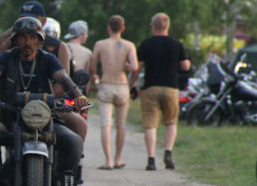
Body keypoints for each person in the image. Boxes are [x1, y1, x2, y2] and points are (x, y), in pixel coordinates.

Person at [0, 17, 89, 186]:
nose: (27, 42)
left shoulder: (47, 59)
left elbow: (63, 78)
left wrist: (79, 96)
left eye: (32, 37)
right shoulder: (5, 58)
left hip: (47, 118)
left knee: (74, 141)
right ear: (15, 40)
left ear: (40, 41)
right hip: (11, 118)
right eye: (22, 37)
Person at [0, 1, 87, 140]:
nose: (28, 42)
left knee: (79, 124)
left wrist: (44, 100)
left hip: (49, 106)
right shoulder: (12, 43)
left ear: (44, 21)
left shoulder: (58, 47)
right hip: (13, 105)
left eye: (34, 18)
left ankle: (72, 162)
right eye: (24, 17)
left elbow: (63, 80)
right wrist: (12, 31)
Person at [129, 12, 190, 170]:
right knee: (171, 122)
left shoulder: (146, 44)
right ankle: (168, 153)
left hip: (150, 87)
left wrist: (131, 84)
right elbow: (185, 66)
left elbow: (137, 67)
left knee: (150, 125)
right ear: (167, 26)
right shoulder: (176, 44)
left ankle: (151, 159)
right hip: (171, 87)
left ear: (153, 26)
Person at [90, 15, 138, 170]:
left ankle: (108, 160)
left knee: (105, 125)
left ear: (108, 28)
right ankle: (118, 159)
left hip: (106, 84)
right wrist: (126, 66)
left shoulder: (100, 44)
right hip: (122, 85)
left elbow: (92, 66)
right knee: (121, 124)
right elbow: (135, 66)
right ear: (123, 28)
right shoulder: (129, 45)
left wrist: (93, 77)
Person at [64, 20, 93, 88]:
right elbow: (87, 78)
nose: (87, 36)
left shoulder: (61, 47)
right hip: (77, 90)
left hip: (62, 88)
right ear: (81, 35)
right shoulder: (87, 52)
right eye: (86, 33)